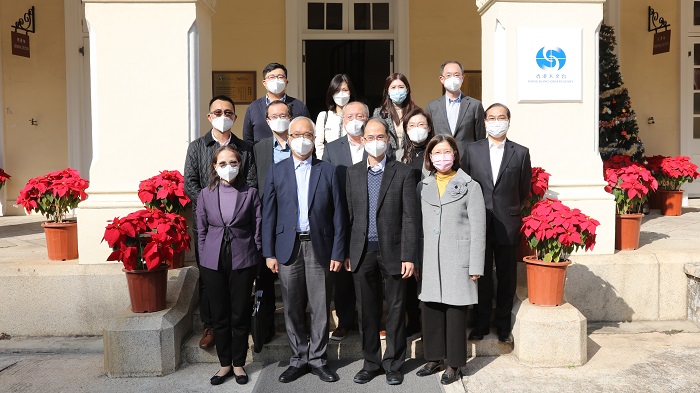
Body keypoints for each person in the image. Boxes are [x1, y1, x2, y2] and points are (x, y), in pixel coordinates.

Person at [262, 117, 348, 383]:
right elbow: (269, 214)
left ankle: (319, 359)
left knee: (321, 305)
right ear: (288, 138)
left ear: (314, 139)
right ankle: (298, 358)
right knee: (292, 306)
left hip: (320, 246)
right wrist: (269, 252)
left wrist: (338, 252)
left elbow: (339, 215)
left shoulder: (329, 170)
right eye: (296, 134)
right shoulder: (277, 170)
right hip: (288, 247)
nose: (302, 138)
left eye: (307, 134)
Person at [345, 118, 420, 386]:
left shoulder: (403, 172)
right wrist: (346, 252)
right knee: (366, 310)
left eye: (380, 137)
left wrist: (409, 255)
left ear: (388, 140)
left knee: (397, 309)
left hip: (395, 252)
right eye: (370, 137)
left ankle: (394, 363)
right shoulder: (352, 173)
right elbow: (348, 217)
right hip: (362, 251)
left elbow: (411, 217)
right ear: (362, 140)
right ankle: (371, 362)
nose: (375, 141)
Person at [184, 95, 257, 351]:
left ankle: (239, 331)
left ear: (235, 117)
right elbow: (189, 182)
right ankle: (211, 325)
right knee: (209, 277)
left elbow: (252, 180)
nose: (223, 116)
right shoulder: (197, 147)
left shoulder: (245, 148)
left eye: (228, 112)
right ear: (209, 116)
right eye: (217, 112)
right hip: (209, 225)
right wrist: (208, 204)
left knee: (238, 285)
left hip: (239, 225)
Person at [415, 135, 486, 385]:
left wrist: (476, 265)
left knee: (455, 312)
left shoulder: (471, 186)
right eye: (436, 153)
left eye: (447, 152)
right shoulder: (423, 186)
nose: (442, 157)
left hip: (458, 258)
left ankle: (454, 364)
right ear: (429, 157)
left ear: (455, 155)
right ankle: (434, 357)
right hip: (430, 258)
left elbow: (479, 229)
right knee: (431, 309)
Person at [461, 103, 531, 344]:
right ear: (484, 122)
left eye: (501, 117)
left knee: (506, 276)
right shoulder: (472, 150)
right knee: (480, 276)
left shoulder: (520, 152)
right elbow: (466, 185)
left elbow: (523, 189)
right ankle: (480, 324)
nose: (496, 121)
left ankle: (503, 326)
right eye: (491, 117)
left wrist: (508, 209)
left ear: (509, 121)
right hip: (478, 223)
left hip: (507, 223)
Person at [195, 145, 261, 386]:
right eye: (222, 164)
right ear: (214, 167)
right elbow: (200, 229)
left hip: (242, 258)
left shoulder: (250, 193)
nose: (228, 167)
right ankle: (224, 365)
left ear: (239, 165)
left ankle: (239, 363)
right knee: (219, 315)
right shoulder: (205, 194)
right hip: (213, 260)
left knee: (239, 314)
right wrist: (204, 259)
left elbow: (257, 227)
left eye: (232, 162)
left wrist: (256, 257)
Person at [320, 101, 369, 341]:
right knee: (342, 275)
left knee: (369, 273)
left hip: (370, 216)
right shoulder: (332, 148)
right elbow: (328, 183)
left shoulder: (375, 143)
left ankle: (370, 321)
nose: (355, 120)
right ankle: (345, 320)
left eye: (360, 115)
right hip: (341, 217)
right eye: (350, 116)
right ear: (343, 120)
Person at [252, 99, 294, 343]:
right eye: (275, 116)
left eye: (284, 114)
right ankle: (266, 329)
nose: (280, 119)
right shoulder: (259, 148)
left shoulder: (301, 143)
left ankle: (299, 329)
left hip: (294, 217)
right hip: (268, 217)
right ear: (267, 121)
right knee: (265, 275)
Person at [400, 107, 436, 336]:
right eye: (412, 125)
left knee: (429, 272)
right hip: (407, 220)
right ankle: (412, 320)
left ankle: (429, 322)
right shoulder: (399, 155)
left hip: (430, 220)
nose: (417, 129)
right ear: (405, 130)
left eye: (422, 125)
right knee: (409, 274)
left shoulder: (437, 153)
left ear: (430, 128)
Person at [426, 60, 486, 158]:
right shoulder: (432, 107)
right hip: (441, 161)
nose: (453, 78)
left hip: (467, 161)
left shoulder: (475, 105)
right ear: (441, 79)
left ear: (462, 78)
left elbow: (480, 139)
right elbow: (430, 138)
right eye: (448, 75)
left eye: (457, 75)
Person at [243, 63, 310, 144]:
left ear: (286, 82)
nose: (276, 80)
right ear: (264, 83)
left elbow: (308, 133)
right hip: (261, 155)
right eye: (271, 77)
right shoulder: (253, 107)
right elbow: (247, 138)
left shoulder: (299, 106)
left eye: (280, 77)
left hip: (292, 154)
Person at [372, 73, 417, 160]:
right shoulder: (379, 113)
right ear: (388, 91)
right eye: (393, 87)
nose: (397, 90)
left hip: (410, 158)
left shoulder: (415, 112)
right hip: (387, 158)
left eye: (401, 87)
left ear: (407, 90)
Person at [315, 74, 357, 159]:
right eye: (337, 90)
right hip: (330, 162)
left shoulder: (357, 117)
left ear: (350, 92)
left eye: (345, 90)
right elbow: (319, 144)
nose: (341, 94)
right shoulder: (324, 116)